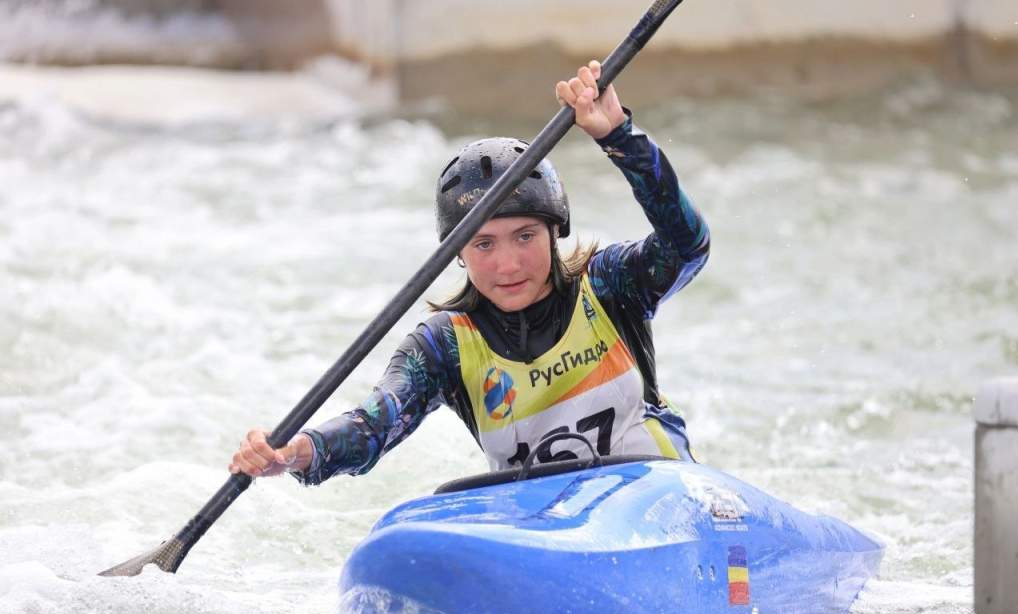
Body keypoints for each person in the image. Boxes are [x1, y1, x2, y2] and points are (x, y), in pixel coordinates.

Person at [229, 60, 710, 482]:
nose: (508, 264)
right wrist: (293, 453)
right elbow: (375, 425)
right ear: (458, 253)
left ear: (555, 231)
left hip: (657, 496)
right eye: (483, 244)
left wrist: (618, 136)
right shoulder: (445, 346)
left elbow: (687, 243)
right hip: (550, 530)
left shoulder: (608, 286)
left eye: (525, 236)